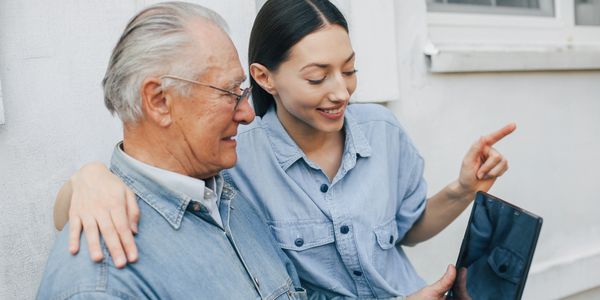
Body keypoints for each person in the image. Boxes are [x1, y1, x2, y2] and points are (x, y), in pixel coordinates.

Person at [54, 0, 515, 298]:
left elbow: (406, 228)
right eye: (317, 77)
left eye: (350, 70)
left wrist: (461, 189)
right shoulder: (231, 161)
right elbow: (128, 195)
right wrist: (88, 180)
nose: (341, 92)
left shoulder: (381, 131)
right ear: (264, 77)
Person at [37, 3, 307, 299]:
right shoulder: (99, 282)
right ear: (159, 102)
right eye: (230, 92)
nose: (247, 114)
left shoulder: (225, 196)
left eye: (243, 91)